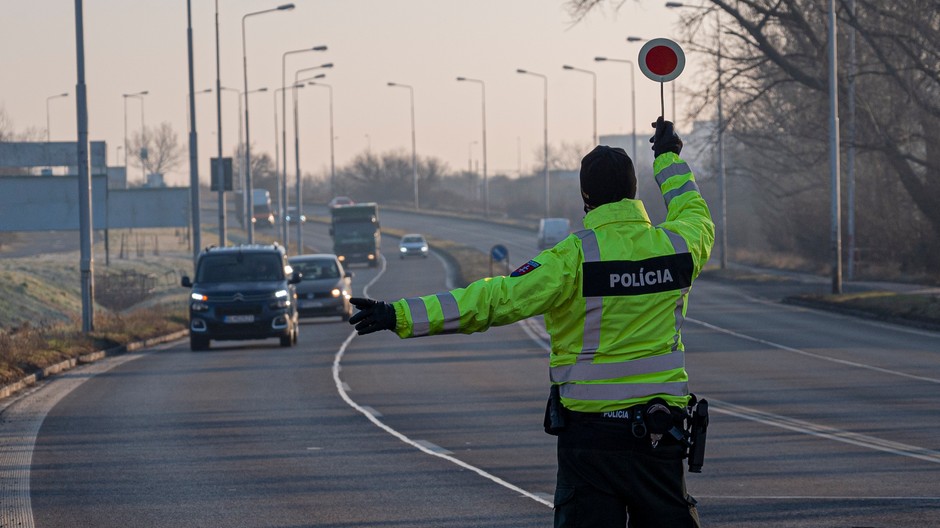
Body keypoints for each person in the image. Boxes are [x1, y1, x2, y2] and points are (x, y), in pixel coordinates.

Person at [349, 117, 714, 528]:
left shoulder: (571, 258)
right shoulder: (679, 247)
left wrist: (398, 314)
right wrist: (668, 160)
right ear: (634, 192)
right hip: (660, 435)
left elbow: (491, 300)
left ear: (586, 197)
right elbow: (694, 211)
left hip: (591, 443)